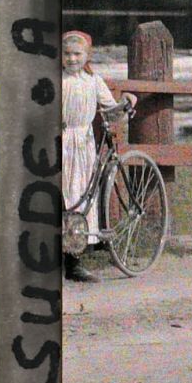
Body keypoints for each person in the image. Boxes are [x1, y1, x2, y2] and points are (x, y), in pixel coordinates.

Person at [61, 30, 132, 279]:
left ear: (87, 56)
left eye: (77, 54)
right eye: (67, 54)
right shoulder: (57, 81)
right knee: (64, 196)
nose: (71, 59)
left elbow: (110, 109)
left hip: (83, 144)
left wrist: (124, 105)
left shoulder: (93, 82)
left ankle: (74, 261)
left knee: (82, 195)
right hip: (63, 142)